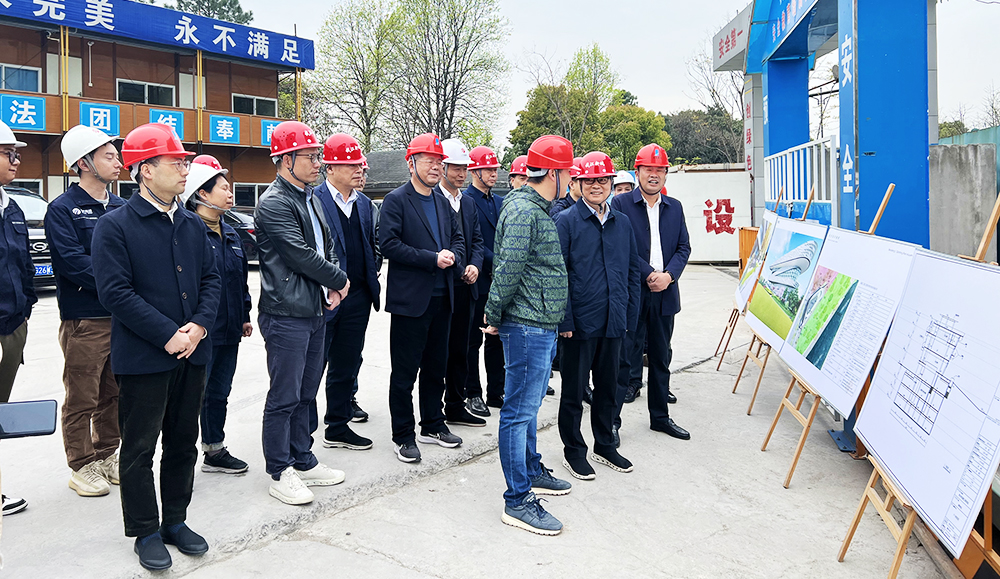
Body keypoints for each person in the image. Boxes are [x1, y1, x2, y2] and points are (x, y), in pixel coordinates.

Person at [92, 123, 221, 571]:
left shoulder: (190, 223)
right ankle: (145, 529)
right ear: (145, 169)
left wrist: (198, 327)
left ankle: (176, 520)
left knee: (184, 442)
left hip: (193, 352)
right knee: (140, 447)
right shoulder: (115, 226)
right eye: (176, 162)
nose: (185, 169)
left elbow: (211, 279)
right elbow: (115, 292)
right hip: (145, 357)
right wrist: (169, 334)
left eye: (185, 162)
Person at [254, 121, 351, 505]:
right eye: (310, 157)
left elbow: (328, 246)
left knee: (306, 392)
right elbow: (299, 255)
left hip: (313, 310)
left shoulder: (310, 197)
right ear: (285, 160)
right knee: (284, 396)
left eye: (317, 156)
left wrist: (332, 286)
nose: (317, 163)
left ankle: (303, 458)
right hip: (286, 313)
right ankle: (280, 470)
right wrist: (340, 280)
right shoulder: (275, 202)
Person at [483, 134, 574, 536]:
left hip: (539, 323)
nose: (571, 179)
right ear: (553, 174)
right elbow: (507, 268)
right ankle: (517, 499)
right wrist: (492, 313)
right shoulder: (524, 211)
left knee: (529, 407)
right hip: (526, 325)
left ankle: (531, 470)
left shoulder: (536, 208)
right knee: (518, 412)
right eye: (568, 172)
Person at [47, 124, 126, 498]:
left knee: (113, 393)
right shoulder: (63, 209)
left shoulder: (122, 207)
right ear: (83, 163)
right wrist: (121, 283)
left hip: (121, 317)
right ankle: (81, 464)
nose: (118, 162)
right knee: (82, 395)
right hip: (85, 319)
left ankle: (108, 453)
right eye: (108, 156)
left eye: (116, 155)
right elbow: (72, 262)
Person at [379, 133, 465, 464]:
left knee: (435, 367)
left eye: (439, 162)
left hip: (444, 298)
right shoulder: (396, 200)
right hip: (411, 301)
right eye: (428, 161)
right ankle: (403, 435)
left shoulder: (442, 202)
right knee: (404, 372)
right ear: (411, 163)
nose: (435, 167)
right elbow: (389, 245)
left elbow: (457, 239)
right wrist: (432, 258)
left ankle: (433, 424)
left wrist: (454, 256)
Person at [554, 151, 640, 480]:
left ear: (611, 183)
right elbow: (558, 274)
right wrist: (565, 320)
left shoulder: (622, 222)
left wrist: (629, 316)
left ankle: (605, 445)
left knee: (608, 388)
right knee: (574, 392)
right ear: (577, 182)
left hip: (614, 320)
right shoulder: (567, 221)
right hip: (579, 324)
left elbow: (631, 272)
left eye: (602, 180)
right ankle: (574, 451)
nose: (596, 185)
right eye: (589, 180)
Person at [177, 155, 252, 475]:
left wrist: (245, 314)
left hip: (230, 328)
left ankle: (214, 449)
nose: (230, 193)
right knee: (192, 396)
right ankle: (180, 460)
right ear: (202, 194)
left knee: (219, 392)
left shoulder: (230, 233)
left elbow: (240, 280)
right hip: (199, 331)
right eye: (223, 188)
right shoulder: (186, 232)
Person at [610, 143, 691, 441]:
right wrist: (649, 274)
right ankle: (611, 422)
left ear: (666, 174)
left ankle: (660, 417)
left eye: (659, 170)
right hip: (633, 293)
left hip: (665, 293)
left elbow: (684, 247)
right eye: (648, 169)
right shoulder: (620, 205)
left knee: (660, 358)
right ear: (638, 172)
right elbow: (621, 247)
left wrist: (668, 276)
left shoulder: (675, 207)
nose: (654, 175)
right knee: (623, 359)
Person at [314, 134, 382, 451]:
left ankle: (338, 426)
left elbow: (371, 244)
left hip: (358, 297)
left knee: (346, 364)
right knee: (313, 367)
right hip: (325, 297)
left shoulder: (365, 204)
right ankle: (300, 433)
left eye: (360, 165)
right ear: (330, 168)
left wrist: (371, 274)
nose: (359, 170)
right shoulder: (314, 201)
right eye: (351, 164)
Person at [435, 139, 485, 428]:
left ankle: (456, 403)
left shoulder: (468, 203)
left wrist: (475, 265)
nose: (461, 173)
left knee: (462, 349)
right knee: (438, 352)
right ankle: (434, 411)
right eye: (456, 168)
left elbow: (476, 240)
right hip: (442, 287)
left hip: (467, 287)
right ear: (442, 167)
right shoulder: (432, 200)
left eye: (465, 168)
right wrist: (457, 267)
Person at [0, 120, 34, 517]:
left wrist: (24, 310)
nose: (16, 160)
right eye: (8, 153)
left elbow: (22, 266)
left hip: (11, 328)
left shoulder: (11, 207)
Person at [465, 150, 508, 417]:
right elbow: (472, 241)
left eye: (495, 169)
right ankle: (472, 393)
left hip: (500, 283)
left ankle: (496, 391)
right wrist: (500, 262)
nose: (494, 173)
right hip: (478, 280)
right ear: (474, 172)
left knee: (497, 339)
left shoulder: (501, 201)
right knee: (472, 341)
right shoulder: (466, 201)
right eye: (488, 169)